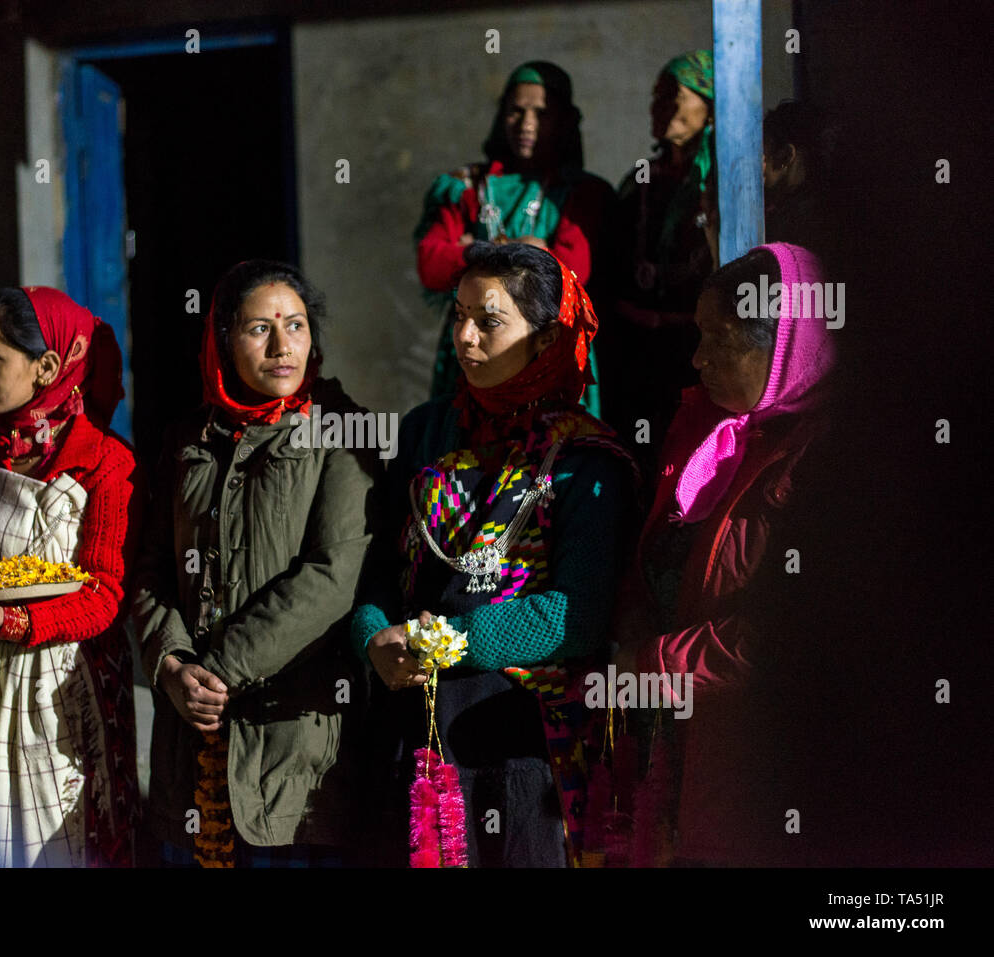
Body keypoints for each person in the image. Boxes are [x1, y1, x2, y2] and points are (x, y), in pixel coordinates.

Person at [353, 243, 638, 867]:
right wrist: (374, 636)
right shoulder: (428, 431)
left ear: (545, 339)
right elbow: (379, 568)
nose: (464, 337)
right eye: (457, 315)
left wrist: (450, 639)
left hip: (519, 740)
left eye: (489, 321)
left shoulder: (585, 462)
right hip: (416, 730)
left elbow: (576, 614)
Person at [130, 260, 377, 867]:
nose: (281, 345)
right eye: (258, 328)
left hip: (293, 738)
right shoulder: (189, 440)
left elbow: (333, 574)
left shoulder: (341, 431)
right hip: (191, 735)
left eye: (295, 325)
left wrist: (217, 671)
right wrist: (170, 662)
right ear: (222, 341)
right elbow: (150, 569)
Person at [612, 243, 836, 865]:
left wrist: (656, 664)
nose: (698, 358)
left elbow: (795, 628)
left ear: (786, 342)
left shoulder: (833, 461)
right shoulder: (721, 433)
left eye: (721, 340)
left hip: (771, 773)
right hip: (695, 760)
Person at [0, 286, 142, 867]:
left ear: (47, 366)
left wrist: (15, 619)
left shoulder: (103, 462)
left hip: (58, 692)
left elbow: (103, 594)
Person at [415, 61, 614, 410]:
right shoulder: (464, 186)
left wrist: (470, 254)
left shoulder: (582, 192)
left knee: (551, 449)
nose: (527, 124)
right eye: (515, 112)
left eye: (542, 113)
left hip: (550, 348)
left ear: (565, 120)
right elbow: (431, 263)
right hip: (474, 345)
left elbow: (573, 269)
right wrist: (527, 251)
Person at [604, 51, 717, 480]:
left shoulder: (725, 180)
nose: (659, 106)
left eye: (674, 95)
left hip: (692, 352)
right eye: (656, 96)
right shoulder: (641, 181)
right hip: (634, 353)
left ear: (709, 105)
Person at [763, 100, 836, 259]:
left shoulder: (793, 225)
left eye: (763, 152)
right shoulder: (833, 210)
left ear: (786, 156)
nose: (759, 163)